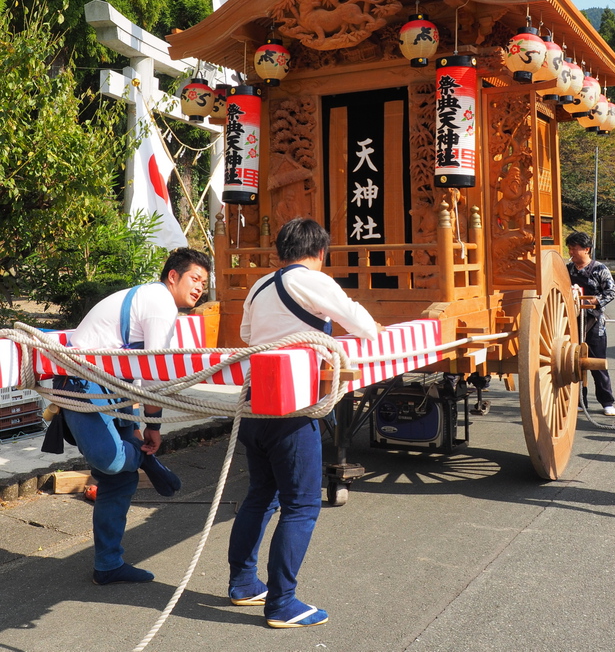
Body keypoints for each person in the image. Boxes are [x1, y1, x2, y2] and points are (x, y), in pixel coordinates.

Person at [228, 218, 382, 629]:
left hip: (257, 404)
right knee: (301, 504)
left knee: (261, 493)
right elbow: (361, 324)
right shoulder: (315, 281)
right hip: (294, 410)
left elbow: (247, 334)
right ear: (320, 252)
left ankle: (243, 583)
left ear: (280, 250)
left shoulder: (260, 285)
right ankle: (282, 603)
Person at [47, 247, 211, 585]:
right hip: (81, 382)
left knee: (120, 479)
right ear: (173, 276)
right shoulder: (161, 304)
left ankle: (108, 565)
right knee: (110, 461)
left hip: (113, 387)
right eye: (195, 279)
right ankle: (144, 460)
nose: (200, 288)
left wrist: (140, 426)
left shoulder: (155, 301)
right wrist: (151, 426)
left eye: (204, 284)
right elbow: (153, 376)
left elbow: (136, 375)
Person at [566, 232, 615, 416]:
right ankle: (580, 400)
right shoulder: (568, 269)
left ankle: (607, 402)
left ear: (586, 249)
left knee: (596, 363)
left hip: (594, 322)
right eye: (569, 248)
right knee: (574, 363)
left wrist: (594, 301)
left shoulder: (600, 269)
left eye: (574, 248)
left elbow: (611, 292)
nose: (571, 251)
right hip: (572, 321)